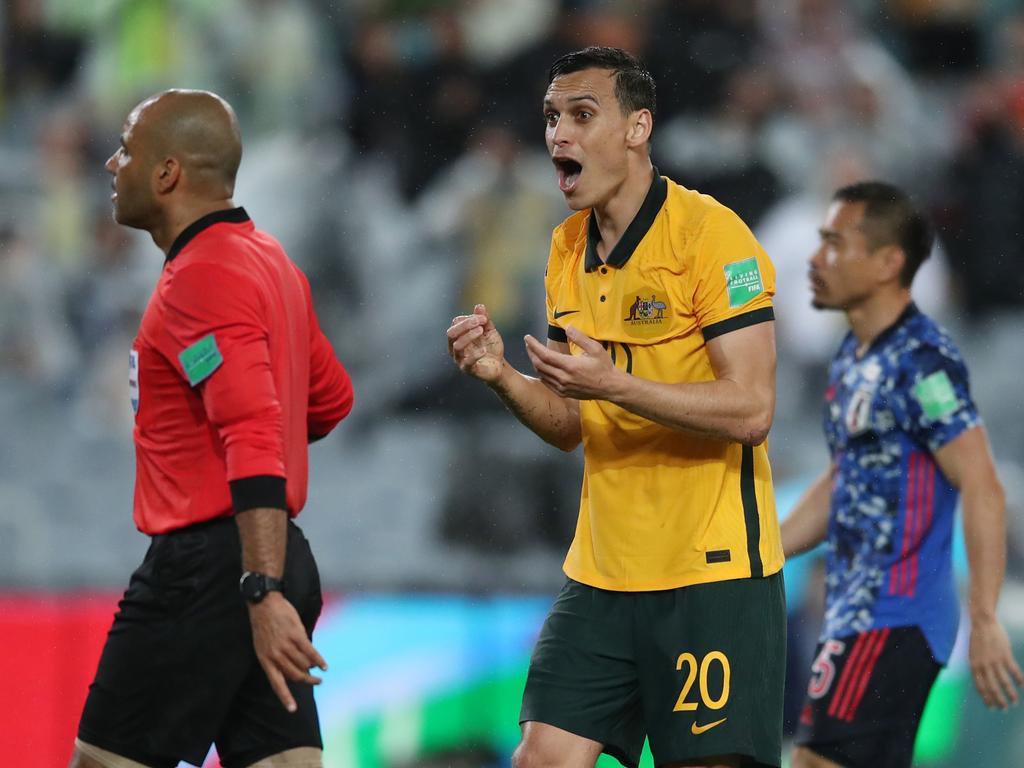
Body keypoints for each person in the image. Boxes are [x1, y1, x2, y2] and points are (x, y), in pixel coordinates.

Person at [447, 47, 786, 768]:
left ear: (638, 129)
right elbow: (575, 426)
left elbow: (754, 409)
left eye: (581, 115)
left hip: (710, 574)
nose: (558, 136)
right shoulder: (565, 248)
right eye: (551, 118)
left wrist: (617, 386)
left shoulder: (712, 236)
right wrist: (501, 375)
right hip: (601, 573)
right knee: (539, 757)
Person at [69, 90, 354, 768]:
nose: (112, 164)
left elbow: (252, 426)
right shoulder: (270, 261)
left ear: (167, 174)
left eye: (127, 150)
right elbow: (329, 400)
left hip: (215, 571)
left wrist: (258, 586)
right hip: (268, 557)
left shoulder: (203, 276)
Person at [782, 181, 1023, 768]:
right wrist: (759, 547)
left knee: (814, 763)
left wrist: (986, 619)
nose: (815, 260)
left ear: (889, 263)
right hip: (856, 615)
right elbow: (847, 478)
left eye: (835, 245)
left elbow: (982, 482)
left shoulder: (921, 361)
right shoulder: (853, 358)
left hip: (895, 613)